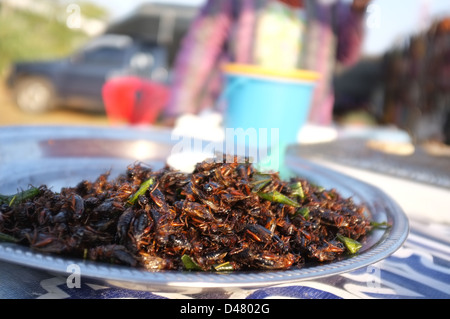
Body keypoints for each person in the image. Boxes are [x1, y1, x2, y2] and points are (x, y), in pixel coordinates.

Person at [163, 0, 371, 127]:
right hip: (238, 118)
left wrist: (358, 11)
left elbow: (347, 55)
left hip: (303, 125)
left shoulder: (330, 9)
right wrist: (179, 111)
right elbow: (199, 51)